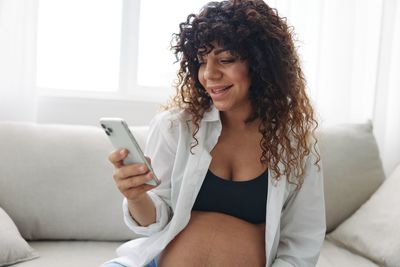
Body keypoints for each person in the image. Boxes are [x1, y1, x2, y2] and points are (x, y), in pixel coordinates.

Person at [102, 0, 326, 266]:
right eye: (201, 60)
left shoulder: (294, 143)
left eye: (226, 59)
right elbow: (155, 221)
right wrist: (136, 196)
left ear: (262, 64)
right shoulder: (176, 127)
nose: (209, 74)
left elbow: (302, 244)